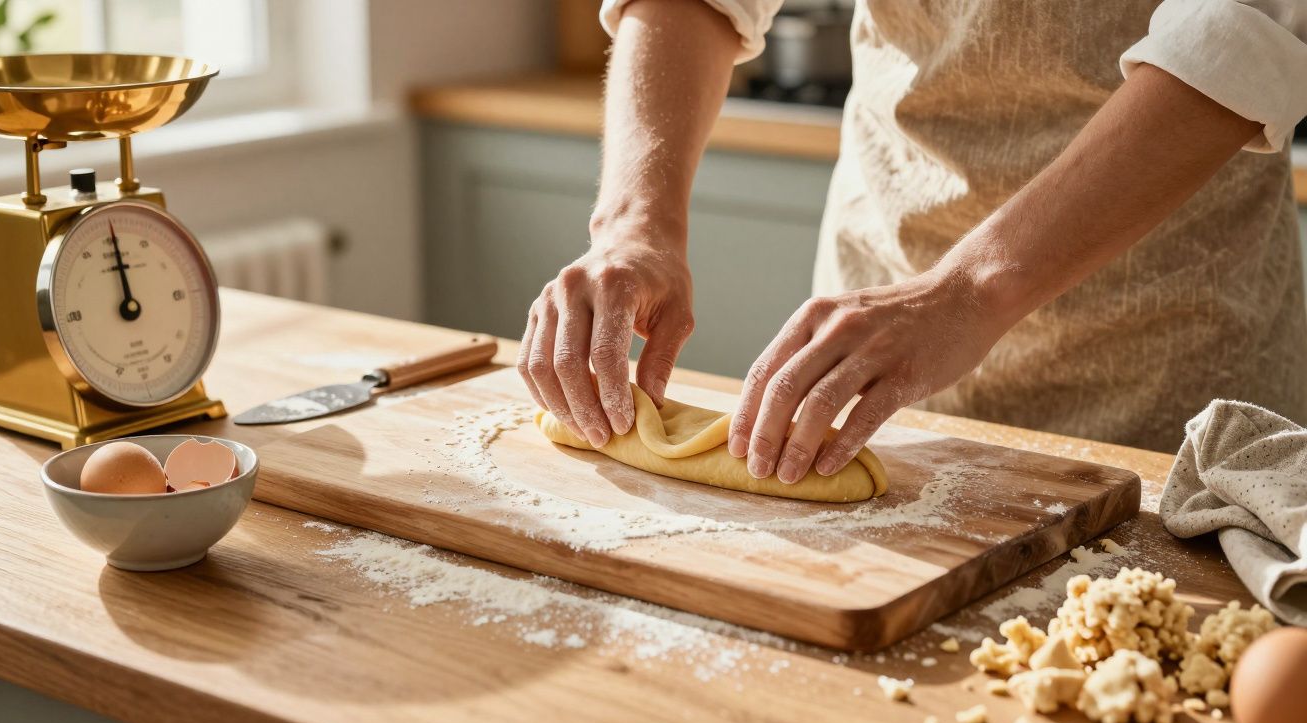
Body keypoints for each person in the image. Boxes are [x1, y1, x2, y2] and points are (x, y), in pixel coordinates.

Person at [518, 0, 1307, 485]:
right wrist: (634, 223)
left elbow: (1238, 34)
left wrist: (967, 290)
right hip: (879, 300)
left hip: (1172, 334)